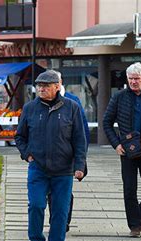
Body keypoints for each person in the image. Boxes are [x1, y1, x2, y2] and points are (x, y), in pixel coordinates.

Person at [15, 70, 87, 241]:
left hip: (63, 170)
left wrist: (79, 165)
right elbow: (19, 137)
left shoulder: (71, 108)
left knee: (60, 211)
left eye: (46, 86)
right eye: (39, 86)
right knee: (36, 205)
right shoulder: (30, 108)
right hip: (38, 168)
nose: (41, 89)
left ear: (57, 86)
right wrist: (26, 154)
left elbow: (80, 139)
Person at [103, 62, 141, 237]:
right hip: (127, 151)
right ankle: (134, 225)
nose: (133, 82)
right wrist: (116, 144)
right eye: (130, 79)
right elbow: (107, 122)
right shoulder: (119, 97)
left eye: (137, 78)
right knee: (129, 188)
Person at [47, 70, 90, 232]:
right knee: (50, 191)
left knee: (64, 191)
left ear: (59, 83)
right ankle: (55, 220)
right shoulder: (42, 100)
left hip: (68, 155)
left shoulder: (73, 101)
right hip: (47, 155)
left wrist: (81, 158)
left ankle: (64, 221)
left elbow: (83, 131)